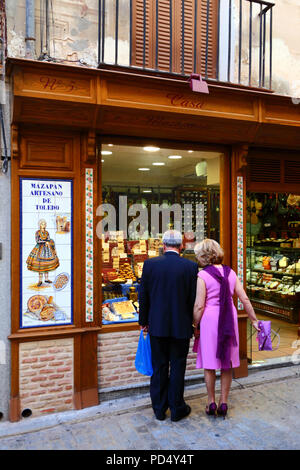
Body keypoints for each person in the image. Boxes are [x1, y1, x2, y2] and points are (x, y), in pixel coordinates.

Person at [193, 238, 260, 418]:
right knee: (226, 364)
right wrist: (254, 320)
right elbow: (244, 299)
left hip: (210, 319)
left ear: (203, 256)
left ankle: (211, 401)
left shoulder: (202, 276)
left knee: (209, 364)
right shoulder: (231, 273)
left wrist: (194, 324)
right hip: (229, 318)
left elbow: (199, 306)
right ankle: (224, 402)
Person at [139, 230, 198, 422]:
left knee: (160, 367)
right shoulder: (190, 267)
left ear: (163, 245)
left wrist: (143, 322)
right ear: (181, 246)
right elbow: (192, 299)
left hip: (157, 326)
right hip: (181, 326)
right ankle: (177, 408)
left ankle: (159, 408)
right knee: (178, 367)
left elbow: (143, 296)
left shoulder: (150, 265)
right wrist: (192, 321)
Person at [27, 219, 60, 287]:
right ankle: (40, 280)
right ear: (39, 225)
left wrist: (50, 243)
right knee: (40, 265)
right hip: (39, 249)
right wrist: (45, 242)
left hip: (47, 249)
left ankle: (47, 279)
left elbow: (48, 239)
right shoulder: (37, 232)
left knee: (46, 264)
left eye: (45, 224)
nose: (44, 225)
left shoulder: (47, 232)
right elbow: (37, 241)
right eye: (42, 224)